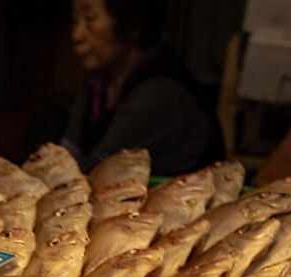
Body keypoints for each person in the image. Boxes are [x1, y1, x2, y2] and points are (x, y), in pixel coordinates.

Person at [60, 0, 225, 176]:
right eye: (75, 20)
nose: (76, 35)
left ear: (132, 24)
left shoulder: (160, 92)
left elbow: (92, 172)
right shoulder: (99, 80)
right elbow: (69, 154)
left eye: (90, 19)